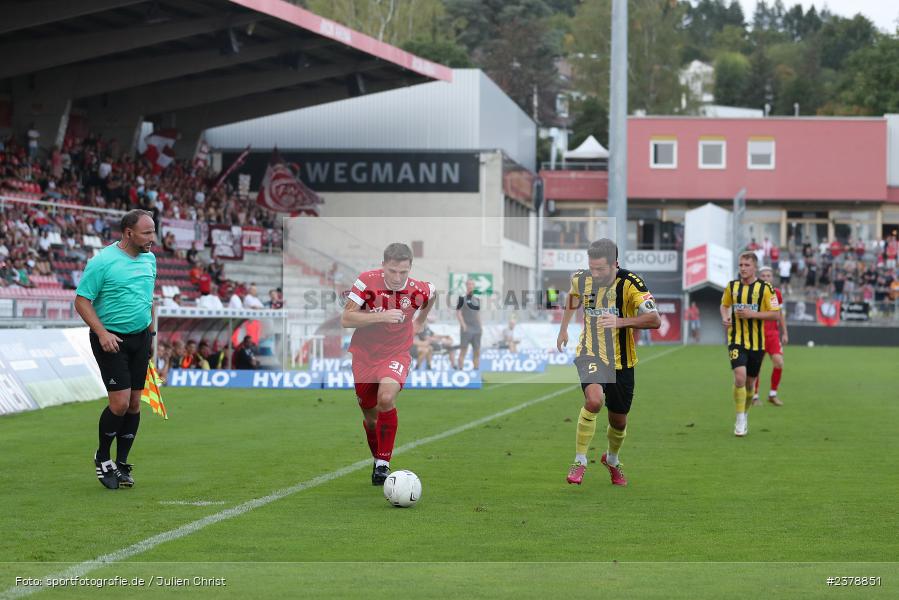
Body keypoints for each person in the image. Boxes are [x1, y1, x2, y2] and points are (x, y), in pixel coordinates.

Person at [557, 239, 661, 487]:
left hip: (622, 361)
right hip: (590, 352)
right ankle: (580, 460)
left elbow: (654, 319)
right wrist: (563, 329)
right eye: (592, 268)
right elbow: (572, 297)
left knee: (619, 421)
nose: (595, 274)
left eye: (601, 269)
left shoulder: (631, 283)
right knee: (594, 401)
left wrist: (621, 322)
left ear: (615, 264)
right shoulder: (581, 279)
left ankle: (612, 459)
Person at [74, 209, 157, 489]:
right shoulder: (103, 261)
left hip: (141, 338)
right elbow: (81, 300)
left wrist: (151, 334)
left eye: (153, 231)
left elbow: (148, 298)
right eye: (147, 233)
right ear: (128, 233)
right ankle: (102, 457)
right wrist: (102, 333)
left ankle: (121, 463)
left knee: (134, 404)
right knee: (119, 404)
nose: (152, 238)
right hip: (112, 340)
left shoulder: (150, 259)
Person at [341, 243, 434, 486]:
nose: (397, 277)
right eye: (392, 271)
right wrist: (382, 315)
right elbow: (346, 318)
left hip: (396, 353)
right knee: (371, 419)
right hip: (364, 356)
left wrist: (420, 322)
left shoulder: (418, 289)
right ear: (383, 265)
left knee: (386, 398)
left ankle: (383, 464)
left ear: (410, 268)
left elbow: (432, 294)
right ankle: (377, 459)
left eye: (403, 272)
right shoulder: (365, 281)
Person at [720, 252, 781, 437]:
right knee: (740, 377)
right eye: (741, 265)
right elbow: (724, 305)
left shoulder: (766, 288)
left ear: (755, 267)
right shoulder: (732, 286)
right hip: (736, 340)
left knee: (750, 384)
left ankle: (745, 413)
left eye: (747, 265)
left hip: (757, 343)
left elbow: (776, 314)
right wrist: (725, 317)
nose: (743, 268)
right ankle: (740, 419)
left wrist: (753, 314)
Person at [752, 267, 788, 406]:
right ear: (759, 278)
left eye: (768, 275)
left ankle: (772, 394)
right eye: (763, 276)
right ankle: (754, 396)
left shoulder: (776, 293)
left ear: (772, 278)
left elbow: (780, 314)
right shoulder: (754, 293)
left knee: (779, 362)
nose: (766, 278)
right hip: (758, 335)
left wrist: (785, 332)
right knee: (757, 367)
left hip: (773, 335)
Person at [455, 279, 481, 370]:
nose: (470, 286)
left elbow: (478, 314)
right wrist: (463, 325)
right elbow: (458, 313)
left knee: (477, 351)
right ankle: (460, 370)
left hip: (476, 329)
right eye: (469, 284)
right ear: (466, 286)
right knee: (463, 351)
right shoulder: (462, 299)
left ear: (474, 286)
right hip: (466, 329)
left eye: (472, 284)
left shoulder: (477, 299)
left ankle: (476, 371)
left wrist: (480, 326)